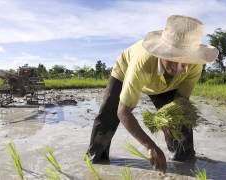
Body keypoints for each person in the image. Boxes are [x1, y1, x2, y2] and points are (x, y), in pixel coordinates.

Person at [86, 15, 219, 173]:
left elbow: (181, 101)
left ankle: (183, 161)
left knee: (179, 120)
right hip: (125, 70)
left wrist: (166, 119)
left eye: (185, 61)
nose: (177, 68)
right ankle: (95, 158)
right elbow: (123, 112)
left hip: (166, 85)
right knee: (108, 115)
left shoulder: (195, 66)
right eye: (172, 58)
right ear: (162, 52)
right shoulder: (142, 62)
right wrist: (151, 146)